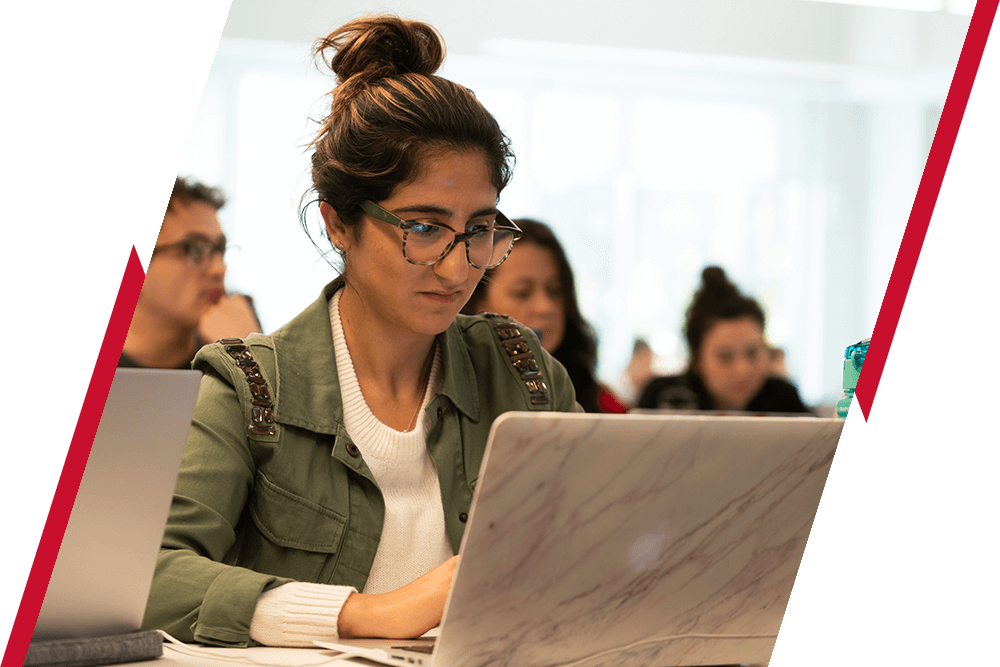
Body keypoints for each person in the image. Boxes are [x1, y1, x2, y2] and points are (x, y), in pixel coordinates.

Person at [141, 15, 581, 649]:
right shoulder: (246, 386)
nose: (459, 268)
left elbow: (607, 533)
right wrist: (371, 614)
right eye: (423, 228)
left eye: (480, 229)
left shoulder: (521, 371)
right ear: (337, 224)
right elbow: (154, 577)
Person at [462, 218, 626, 414]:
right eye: (522, 292)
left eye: (555, 290)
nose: (545, 307)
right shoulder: (452, 394)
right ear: (476, 300)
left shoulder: (598, 400)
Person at [120, 178, 263, 369]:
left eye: (220, 249)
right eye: (194, 249)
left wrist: (251, 358)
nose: (219, 269)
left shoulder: (238, 334)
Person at [636, 266, 812, 413]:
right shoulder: (664, 397)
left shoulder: (784, 400)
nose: (742, 370)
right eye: (725, 356)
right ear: (697, 361)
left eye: (752, 353)